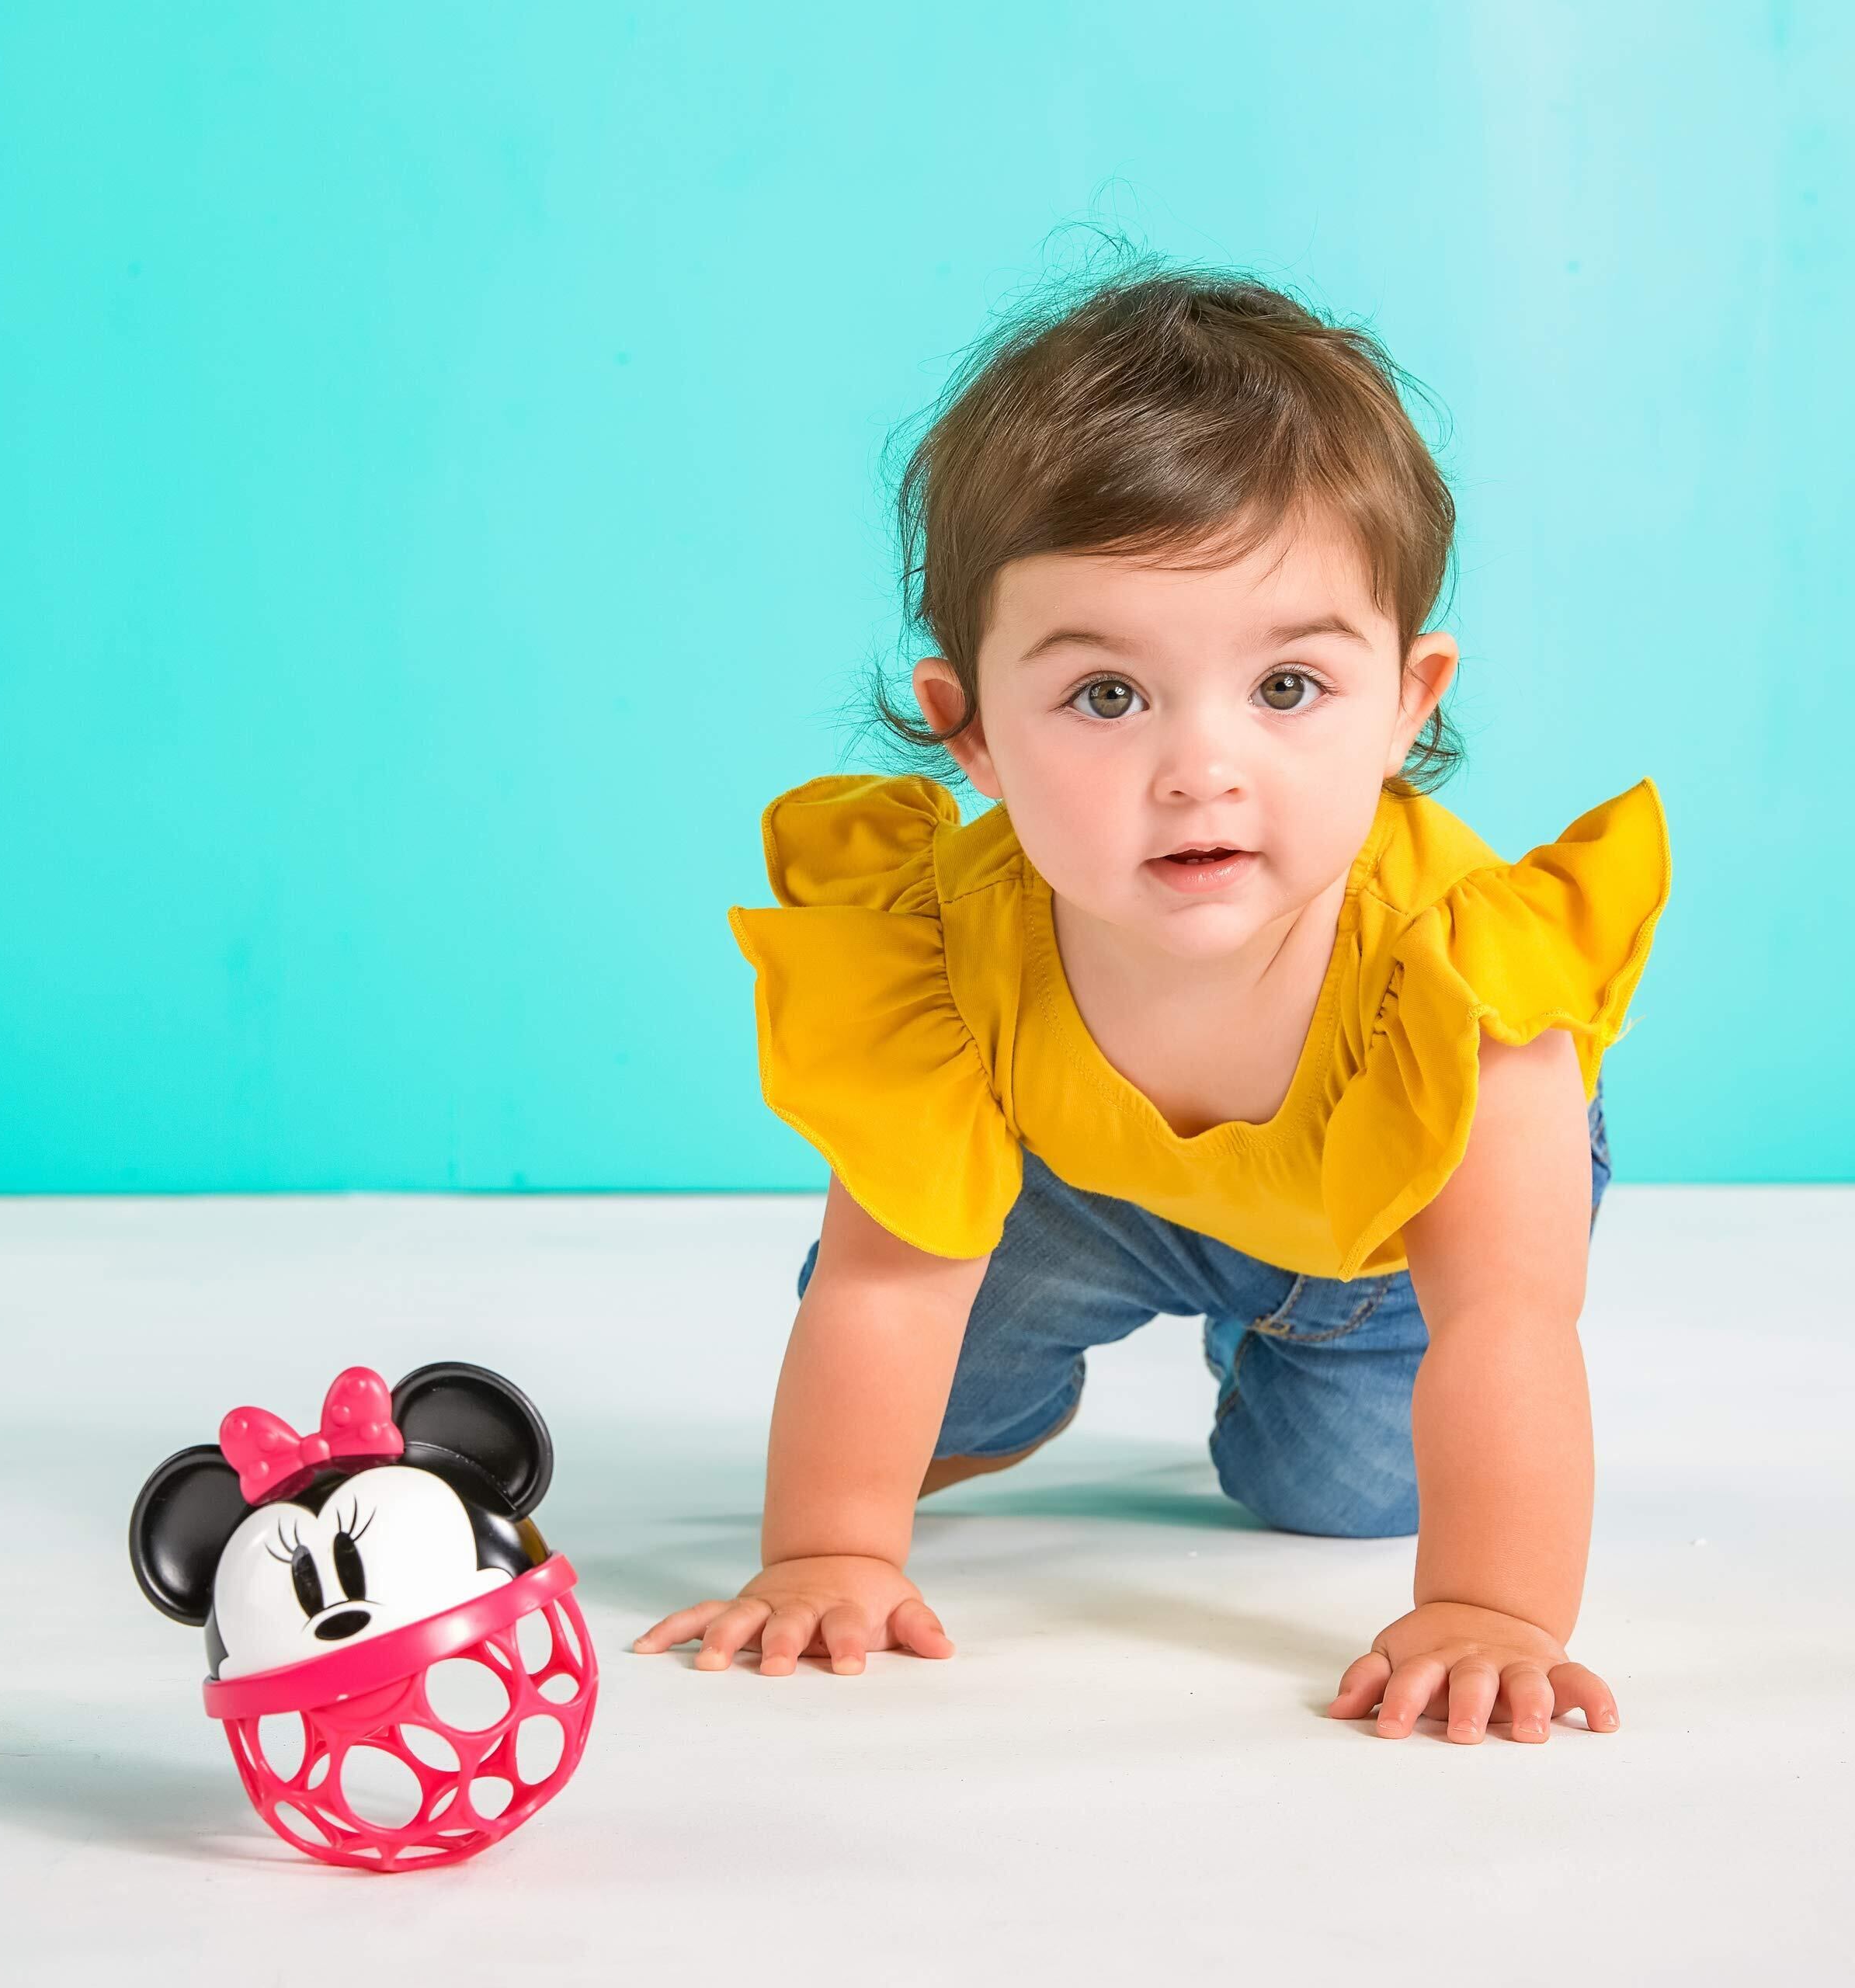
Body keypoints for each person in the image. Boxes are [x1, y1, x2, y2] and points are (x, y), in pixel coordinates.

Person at [635, 258, 1670, 1745]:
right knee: (908, 1414)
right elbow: (883, 1280)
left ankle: (1281, 1347)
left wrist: (1490, 1611)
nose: (1201, 771)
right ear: (969, 729)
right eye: (1107, 696)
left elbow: (1508, 1321)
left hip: (1379, 1232)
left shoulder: (1461, 984)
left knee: (1334, 1494)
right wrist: (827, 1555)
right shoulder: (947, 951)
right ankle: (1049, 1376)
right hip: (1084, 1182)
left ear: (1407, 699)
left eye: (1288, 688)